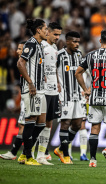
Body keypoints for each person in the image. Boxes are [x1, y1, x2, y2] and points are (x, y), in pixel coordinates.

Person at [75, 29, 106, 168]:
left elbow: (78, 72)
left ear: (100, 41)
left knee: (94, 128)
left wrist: (86, 89)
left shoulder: (90, 55)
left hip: (94, 97)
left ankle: (92, 160)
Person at [17, 19, 48, 165]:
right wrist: (30, 83)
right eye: (45, 29)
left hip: (40, 89)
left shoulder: (39, 45)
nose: (46, 31)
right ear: (38, 30)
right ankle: (28, 157)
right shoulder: (31, 44)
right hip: (32, 90)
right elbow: (20, 63)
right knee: (30, 121)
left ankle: (24, 154)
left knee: (41, 123)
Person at [33, 22, 62, 165]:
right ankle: (29, 153)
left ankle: (41, 155)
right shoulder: (41, 46)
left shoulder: (55, 48)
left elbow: (54, 68)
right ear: (47, 32)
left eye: (59, 35)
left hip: (53, 90)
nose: (57, 37)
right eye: (55, 34)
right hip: (42, 89)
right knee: (38, 122)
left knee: (49, 123)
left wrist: (57, 82)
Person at [54, 31, 85, 164]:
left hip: (77, 95)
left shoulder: (79, 55)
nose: (77, 44)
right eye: (74, 41)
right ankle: (66, 155)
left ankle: (61, 148)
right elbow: (52, 69)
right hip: (65, 95)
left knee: (77, 124)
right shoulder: (60, 55)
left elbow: (82, 72)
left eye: (78, 41)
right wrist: (56, 83)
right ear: (67, 42)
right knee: (65, 123)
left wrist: (85, 89)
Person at [0, 41, 26, 160]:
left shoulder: (28, 63)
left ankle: (21, 153)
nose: (17, 51)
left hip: (31, 97)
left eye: (20, 49)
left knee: (29, 125)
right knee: (24, 125)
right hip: (26, 98)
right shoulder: (20, 63)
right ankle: (17, 152)